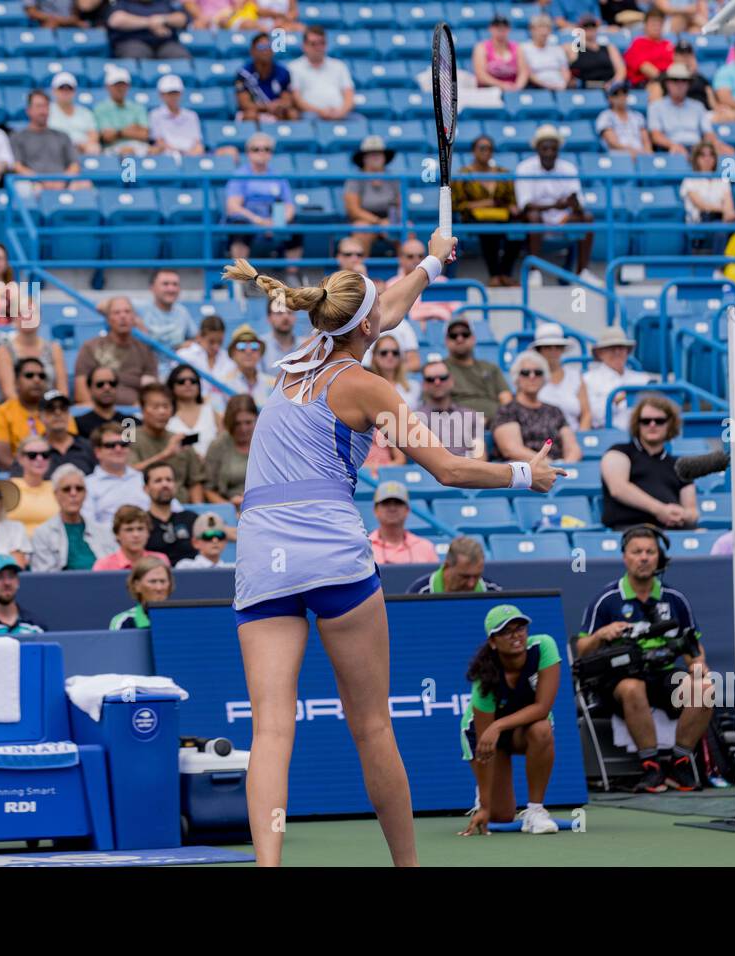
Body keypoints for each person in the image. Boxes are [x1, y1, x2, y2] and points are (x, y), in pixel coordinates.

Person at [220, 230, 562, 867]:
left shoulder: (298, 358)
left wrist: (432, 260)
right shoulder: (370, 386)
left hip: (261, 551)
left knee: (270, 731)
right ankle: (407, 865)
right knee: (372, 725)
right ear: (367, 324)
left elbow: (389, 306)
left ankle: (267, 865)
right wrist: (525, 475)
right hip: (330, 553)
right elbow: (450, 471)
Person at [576, 525, 712, 792]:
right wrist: (601, 634)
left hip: (662, 674)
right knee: (633, 688)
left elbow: (693, 647)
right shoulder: (607, 599)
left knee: (705, 688)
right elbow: (582, 649)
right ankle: (651, 766)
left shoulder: (675, 598)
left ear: (658, 558)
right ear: (625, 557)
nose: (644, 557)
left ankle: (680, 761)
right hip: (619, 679)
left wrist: (698, 666)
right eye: (637, 552)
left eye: (650, 552)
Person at [458, 604, 562, 835]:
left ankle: (535, 811)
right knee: (501, 816)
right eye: (505, 631)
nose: (515, 635)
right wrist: (485, 806)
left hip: (519, 728)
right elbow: (487, 748)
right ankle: (483, 799)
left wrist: (498, 724)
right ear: (493, 642)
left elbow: (543, 707)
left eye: (520, 628)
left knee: (542, 729)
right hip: (484, 736)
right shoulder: (484, 680)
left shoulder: (544, 646)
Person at [599, 394, 698, 531]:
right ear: (637, 423)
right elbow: (618, 488)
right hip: (630, 532)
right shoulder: (619, 452)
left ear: (670, 424)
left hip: (673, 532)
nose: (652, 425)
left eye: (659, 421)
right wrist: (660, 510)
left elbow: (692, 512)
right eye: (645, 421)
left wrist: (681, 514)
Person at [515, 125, 595, 283]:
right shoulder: (524, 168)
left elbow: (578, 202)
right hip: (537, 218)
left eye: (553, 148)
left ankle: (582, 272)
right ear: (537, 148)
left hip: (562, 217)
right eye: (545, 148)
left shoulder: (568, 168)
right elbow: (525, 205)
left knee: (587, 218)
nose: (549, 153)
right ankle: (534, 272)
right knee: (533, 217)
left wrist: (575, 203)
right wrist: (555, 206)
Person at [451, 135, 522, 287]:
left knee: (519, 227)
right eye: (482, 148)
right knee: (489, 228)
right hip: (473, 216)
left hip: (501, 215)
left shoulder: (503, 173)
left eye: (490, 148)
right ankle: (495, 275)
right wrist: (486, 203)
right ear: (473, 151)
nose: (486, 152)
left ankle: (505, 273)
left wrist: (511, 206)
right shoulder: (463, 175)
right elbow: (457, 205)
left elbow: (511, 200)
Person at [223, 133, 302, 264]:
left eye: (266, 149)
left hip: (274, 218)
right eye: (256, 149)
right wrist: (258, 221)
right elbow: (233, 207)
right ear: (248, 153)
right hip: (249, 218)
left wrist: (278, 222)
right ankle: (240, 279)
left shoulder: (278, 176)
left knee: (296, 228)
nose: (261, 153)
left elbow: (289, 206)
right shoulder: (240, 175)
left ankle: (292, 274)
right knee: (240, 228)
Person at [493, 351, 581, 462]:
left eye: (538, 372)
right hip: (525, 472)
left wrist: (566, 468)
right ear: (517, 378)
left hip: (557, 470)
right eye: (525, 372)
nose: (532, 376)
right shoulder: (507, 410)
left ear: (544, 377)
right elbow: (511, 449)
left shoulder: (554, 411)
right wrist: (548, 464)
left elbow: (573, 447)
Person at [73, 296, 159, 406]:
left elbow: (151, 390)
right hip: (100, 411)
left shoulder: (145, 349)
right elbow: (81, 391)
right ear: (108, 319)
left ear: (134, 318)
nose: (123, 316)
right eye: (116, 313)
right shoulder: (90, 347)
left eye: (127, 312)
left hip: (134, 414)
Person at [128, 383, 206, 503]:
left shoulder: (180, 440)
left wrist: (198, 508)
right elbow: (128, 472)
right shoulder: (130, 437)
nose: (162, 412)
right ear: (143, 410)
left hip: (182, 508)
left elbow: (195, 482)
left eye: (166, 406)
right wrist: (165, 454)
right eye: (155, 407)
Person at [30, 464, 114, 570]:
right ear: (56, 494)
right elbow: (44, 577)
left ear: (85, 494)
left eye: (79, 489)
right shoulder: (43, 534)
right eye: (66, 489)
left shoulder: (104, 531)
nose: (73, 493)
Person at [0, 356, 55, 471]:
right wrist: (31, 473)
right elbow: (0, 457)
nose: (36, 380)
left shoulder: (58, 410)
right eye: (29, 375)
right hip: (17, 477)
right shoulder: (1, 412)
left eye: (41, 376)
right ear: (16, 381)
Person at [581, 324, 654, 430]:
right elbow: (594, 417)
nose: (617, 352)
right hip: (606, 437)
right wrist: (618, 399)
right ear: (600, 353)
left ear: (627, 351)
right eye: (611, 348)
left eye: (621, 347)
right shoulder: (588, 380)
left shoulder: (643, 379)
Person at [648, 63, 729, 155]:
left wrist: (713, 146)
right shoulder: (656, 107)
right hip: (670, 150)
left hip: (698, 150)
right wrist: (672, 145)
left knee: (727, 153)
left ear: (688, 84)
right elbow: (656, 136)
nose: (679, 84)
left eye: (683, 80)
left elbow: (708, 133)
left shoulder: (698, 106)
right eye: (675, 80)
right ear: (667, 83)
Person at [443, 317, 511, 425]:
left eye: (465, 334)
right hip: (458, 424)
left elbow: (506, 398)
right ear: (446, 341)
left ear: (473, 338)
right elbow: (435, 404)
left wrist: (500, 418)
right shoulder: (439, 370)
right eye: (453, 335)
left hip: (497, 422)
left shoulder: (490, 368)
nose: (459, 339)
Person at [414, 357, 486, 459]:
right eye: (430, 379)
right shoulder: (415, 420)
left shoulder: (471, 415)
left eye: (443, 377)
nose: (437, 382)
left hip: (468, 471)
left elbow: (480, 456)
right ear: (424, 385)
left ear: (451, 380)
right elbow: (422, 458)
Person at [11, 90, 82, 193]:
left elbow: (74, 165)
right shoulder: (18, 137)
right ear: (29, 110)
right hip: (34, 184)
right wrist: (40, 181)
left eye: (46, 106)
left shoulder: (62, 136)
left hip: (63, 183)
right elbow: (17, 166)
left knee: (84, 184)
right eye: (39, 106)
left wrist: (62, 180)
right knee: (23, 187)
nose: (43, 111)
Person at [84, 421, 150, 526]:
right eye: (110, 445)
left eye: (123, 444)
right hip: (106, 540)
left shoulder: (143, 479)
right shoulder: (87, 485)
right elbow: (88, 525)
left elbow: (173, 510)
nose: (118, 449)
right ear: (97, 452)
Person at [344, 136, 400, 257]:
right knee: (362, 229)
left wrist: (391, 221)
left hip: (389, 218)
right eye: (371, 154)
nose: (376, 157)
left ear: (385, 157)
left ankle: (407, 272)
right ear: (363, 158)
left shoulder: (394, 178)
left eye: (379, 153)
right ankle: (360, 272)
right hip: (365, 220)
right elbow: (354, 210)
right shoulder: (355, 179)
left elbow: (400, 205)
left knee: (407, 229)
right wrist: (378, 222)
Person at [681, 141, 735, 254]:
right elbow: (701, 205)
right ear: (696, 158)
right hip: (700, 219)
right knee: (720, 230)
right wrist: (724, 210)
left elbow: (729, 203)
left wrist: (729, 213)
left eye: (711, 155)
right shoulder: (690, 180)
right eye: (703, 155)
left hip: (721, 218)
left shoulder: (722, 179)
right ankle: (718, 268)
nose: (707, 159)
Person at [530, 323, 589, 431]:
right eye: (547, 347)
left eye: (558, 346)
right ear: (539, 350)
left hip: (574, 440)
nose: (553, 351)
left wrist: (580, 438)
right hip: (541, 440)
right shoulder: (530, 377)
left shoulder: (576, 376)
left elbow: (586, 414)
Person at [288, 25, 354, 120]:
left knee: (359, 120)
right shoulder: (294, 67)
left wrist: (341, 112)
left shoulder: (339, 65)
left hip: (340, 114)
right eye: (313, 44)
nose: (318, 47)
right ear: (304, 46)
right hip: (311, 115)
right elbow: (297, 99)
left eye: (322, 43)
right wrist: (320, 111)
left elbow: (349, 95)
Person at [203, 394, 257, 506]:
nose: (243, 428)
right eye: (237, 424)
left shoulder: (266, 441)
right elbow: (208, 489)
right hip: (230, 505)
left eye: (248, 422)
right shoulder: (218, 446)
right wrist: (229, 507)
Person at [139, 461, 198, 565]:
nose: (165, 484)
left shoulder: (191, 518)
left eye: (169, 480)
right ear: (146, 488)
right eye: (158, 481)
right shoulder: (140, 523)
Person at [367, 480, 437, 565]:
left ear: (407, 510)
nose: (392, 508)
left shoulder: (425, 547)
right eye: (386, 503)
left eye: (398, 503)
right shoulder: (364, 547)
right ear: (375, 510)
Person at [235, 31, 298, 121]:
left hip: (275, 112)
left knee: (292, 113)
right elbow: (244, 104)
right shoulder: (244, 74)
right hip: (256, 112)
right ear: (252, 51)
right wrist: (266, 107)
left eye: (269, 46)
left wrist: (279, 105)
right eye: (261, 47)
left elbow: (287, 100)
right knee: (250, 115)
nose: (266, 50)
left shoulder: (283, 72)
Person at [408, 536, 504, 594]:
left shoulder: (493, 592)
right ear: (447, 566)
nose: (471, 584)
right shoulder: (419, 593)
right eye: (464, 577)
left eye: (477, 576)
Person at [7, 435, 59, 535]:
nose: (39, 459)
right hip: (16, 547)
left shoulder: (58, 488)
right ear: (20, 459)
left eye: (45, 455)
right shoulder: (9, 488)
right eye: (32, 455)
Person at [95, 64, 151, 156]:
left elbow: (144, 134)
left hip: (139, 148)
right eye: (116, 85)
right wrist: (127, 130)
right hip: (113, 149)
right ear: (108, 86)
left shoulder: (138, 108)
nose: (120, 88)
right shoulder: (101, 109)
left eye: (123, 85)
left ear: (128, 86)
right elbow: (107, 136)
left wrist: (117, 133)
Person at [136, 269, 197, 353]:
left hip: (177, 364)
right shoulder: (139, 308)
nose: (171, 289)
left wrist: (188, 344)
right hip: (148, 364)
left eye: (175, 284)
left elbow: (196, 338)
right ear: (152, 288)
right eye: (165, 284)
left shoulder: (182, 312)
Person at [95, 504, 171, 571]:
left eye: (140, 529)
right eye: (129, 530)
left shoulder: (160, 560)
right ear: (117, 534)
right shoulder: (104, 565)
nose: (136, 535)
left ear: (148, 532)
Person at [177, 315, 237, 398]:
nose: (216, 347)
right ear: (200, 336)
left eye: (220, 342)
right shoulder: (185, 356)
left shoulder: (228, 358)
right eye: (211, 342)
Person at [165, 363, 219, 456]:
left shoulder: (212, 412)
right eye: (181, 381)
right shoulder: (164, 414)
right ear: (172, 386)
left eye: (193, 381)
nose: (188, 384)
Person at [106, 0, 189, 59]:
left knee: (181, 57)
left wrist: (163, 19)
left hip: (165, 43)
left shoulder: (164, 2)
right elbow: (115, 20)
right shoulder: (124, 2)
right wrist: (149, 23)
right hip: (132, 42)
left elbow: (182, 18)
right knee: (136, 54)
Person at [109, 558, 175, 629]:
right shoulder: (124, 622)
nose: (159, 588)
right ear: (137, 586)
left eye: (163, 581)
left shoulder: (178, 618)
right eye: (152, 581)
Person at [149, 75, 204, 158]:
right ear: (161, 95)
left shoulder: (192, 115)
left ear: (181, 93)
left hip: (191, 156)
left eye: (175, 93)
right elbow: (160, 142)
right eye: (169, 93)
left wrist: (189, 156)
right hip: (167, 157)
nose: (173, 97)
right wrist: (178, 154)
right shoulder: (155, 115)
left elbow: (197, 144)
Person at [473, 14, 530, 93]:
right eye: (497, 27)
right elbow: (481, 76)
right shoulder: (482, 48)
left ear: (508, 29)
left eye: (504, 27)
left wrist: (518, 86)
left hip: (513, 90)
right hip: (489, 90)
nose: (501, 30)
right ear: (490, 29)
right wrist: (502, 85)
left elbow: (523, 72)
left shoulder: (517, 48)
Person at [221, 325, 275, 406]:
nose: (248, 351)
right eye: (241, 346)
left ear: (260, 353)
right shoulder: (223, 384)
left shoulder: (273, 384)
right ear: (233, 353)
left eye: (254, 346)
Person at [48, 72, 100, 155]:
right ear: (54, 91)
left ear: (74, 91)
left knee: (94, 148)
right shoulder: (47, 111)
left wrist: (84, 145)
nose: (65, 92)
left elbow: (93, 135)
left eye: (69, 88)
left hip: (82, 150)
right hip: (57, 151)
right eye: (61, 88)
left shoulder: (85, 112)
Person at [569, 13, 626, 89]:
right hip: (586, 88)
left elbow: (621, 70)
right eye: (586, 27)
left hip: (609, 86)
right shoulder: (573, 48)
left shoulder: (609, 48)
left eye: (593, 26)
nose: (590, 30)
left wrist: (613, 84)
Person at [623, 7, 672, 94]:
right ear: (645, 25)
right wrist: (667, 81)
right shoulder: (638, 43)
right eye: (653, 23)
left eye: (659, 24)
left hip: (671, 81)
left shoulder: (668, 44)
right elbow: (645, 67)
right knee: (656, 87)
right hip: (647, 82)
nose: (656, 27)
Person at [596, 81, 651, 156]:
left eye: (624, 92)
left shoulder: (638, 116)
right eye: (616, 94)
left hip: (640, 154)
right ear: (609, 98)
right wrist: (631, 151)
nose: (621, 97)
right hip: (618, 156)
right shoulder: (605, 116)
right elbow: (612, 142)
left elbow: (646, 142)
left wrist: (647, 155)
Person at [366, 333, 420, 408]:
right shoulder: (367, 387)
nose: (390, 356)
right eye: (384, 353)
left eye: (395, 352)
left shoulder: (414, 386)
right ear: (374, 356)